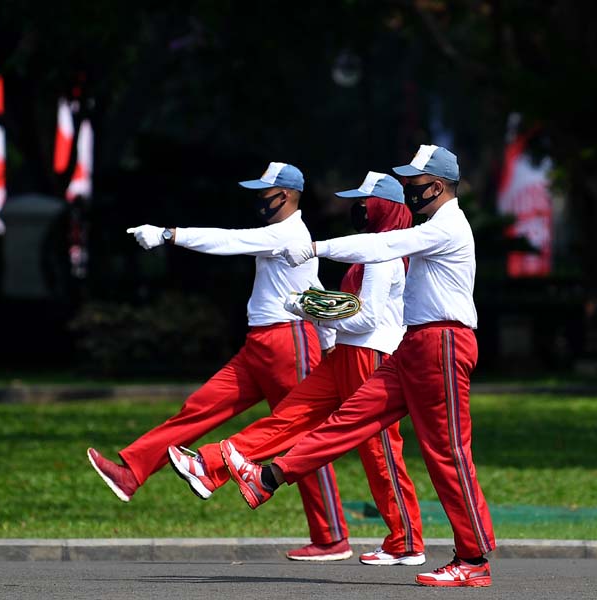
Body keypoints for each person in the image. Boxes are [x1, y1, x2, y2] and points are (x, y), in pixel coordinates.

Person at [219, 145, 496, 588]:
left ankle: (473, 559)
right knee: (349, 419)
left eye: (414, 184)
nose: (408, 191)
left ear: (438, 186)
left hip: (442, 343)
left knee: (448, 454)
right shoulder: (434, 224)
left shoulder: (447, 226)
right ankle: (267, 477)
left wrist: (315, 248)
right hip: (416, 344)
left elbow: (383, 244)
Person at [87, 162, 354, 560]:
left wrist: (168, 235)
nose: (258, 200)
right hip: (261, 345)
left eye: (264, 193)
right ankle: (132, 472)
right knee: (200, 407)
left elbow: (228, 241)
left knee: (300, 438)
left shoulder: (286, 233)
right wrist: (331, 339)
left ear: (285, 196)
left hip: (289, 343)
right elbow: (313, 286)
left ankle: (332, 536)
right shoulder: (287, 235)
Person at [169, 172, 426, 565]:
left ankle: (406, 541)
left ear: (383, 208)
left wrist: (310, 311)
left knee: (380, 453)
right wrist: (317, 308)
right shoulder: (369, 249)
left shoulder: (382, 253)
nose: (356, 208)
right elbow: (350, 309)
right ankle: (209, 465)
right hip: (345, 353)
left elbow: (367, 319)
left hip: (371, 356)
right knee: (288, 417)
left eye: (364, 202)